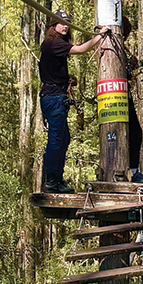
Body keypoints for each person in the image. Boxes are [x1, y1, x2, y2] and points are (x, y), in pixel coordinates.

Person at [39, 11, 101, 192]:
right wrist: (100, 36)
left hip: (56, 95)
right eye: (61, 23)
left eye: (67, 23)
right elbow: (81, 49)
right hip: (53, 98)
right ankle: (51, 181)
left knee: (64, 138)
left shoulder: (55, 45)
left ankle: (56, 178)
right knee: (56, 139)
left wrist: (68, 79)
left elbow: (52, 70)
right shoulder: (53, 43)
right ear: (53, 26)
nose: (65, 26)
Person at [121, 14, 143, 185]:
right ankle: (126, 171)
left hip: (125, 94)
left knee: (135, 132)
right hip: (116, 96)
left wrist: (136, 66)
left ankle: (133, 171)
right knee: (129, 133)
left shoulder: (121, 47)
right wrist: (129, 67)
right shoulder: (112, 46)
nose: (125, 36)